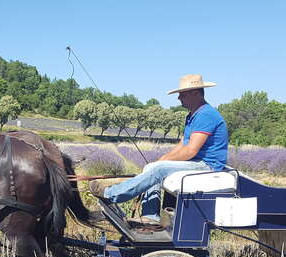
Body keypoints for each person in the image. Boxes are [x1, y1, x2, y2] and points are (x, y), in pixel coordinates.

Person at [89, 74, 229, 223]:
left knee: (158, 169)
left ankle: (111, 194)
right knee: (154, 167)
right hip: (197, 162)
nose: (179, 98)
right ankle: (150, 217)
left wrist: (161, 165)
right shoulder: (193, 116)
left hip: (208, 166)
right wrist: (161, 160)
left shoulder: (206, 115)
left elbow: (191, 151)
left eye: (182, 94)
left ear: (196, 93)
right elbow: (182, 145)